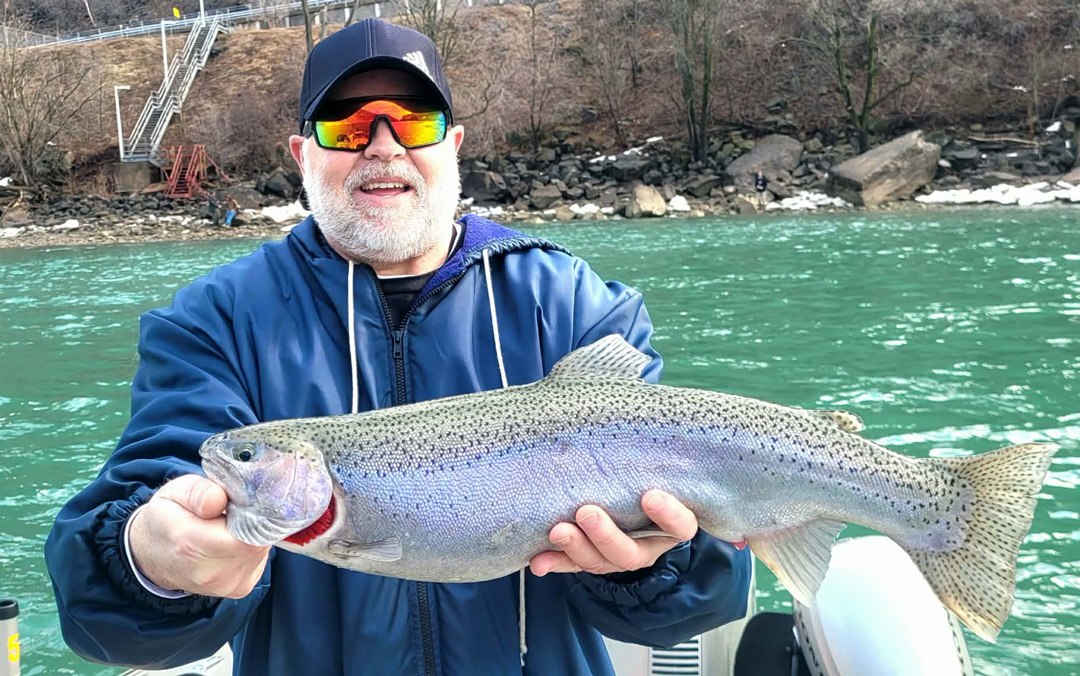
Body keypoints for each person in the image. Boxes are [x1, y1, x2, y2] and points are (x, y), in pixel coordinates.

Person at [44, 18, 752, 676]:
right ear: (302, 155)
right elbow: (107, 612)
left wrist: (645, 567)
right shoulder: (213, 322)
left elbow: (698, 601)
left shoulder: (574, 305)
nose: (384, 145)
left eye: (414, 121)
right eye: (347, 125)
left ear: (453, 145)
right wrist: (153, 561)